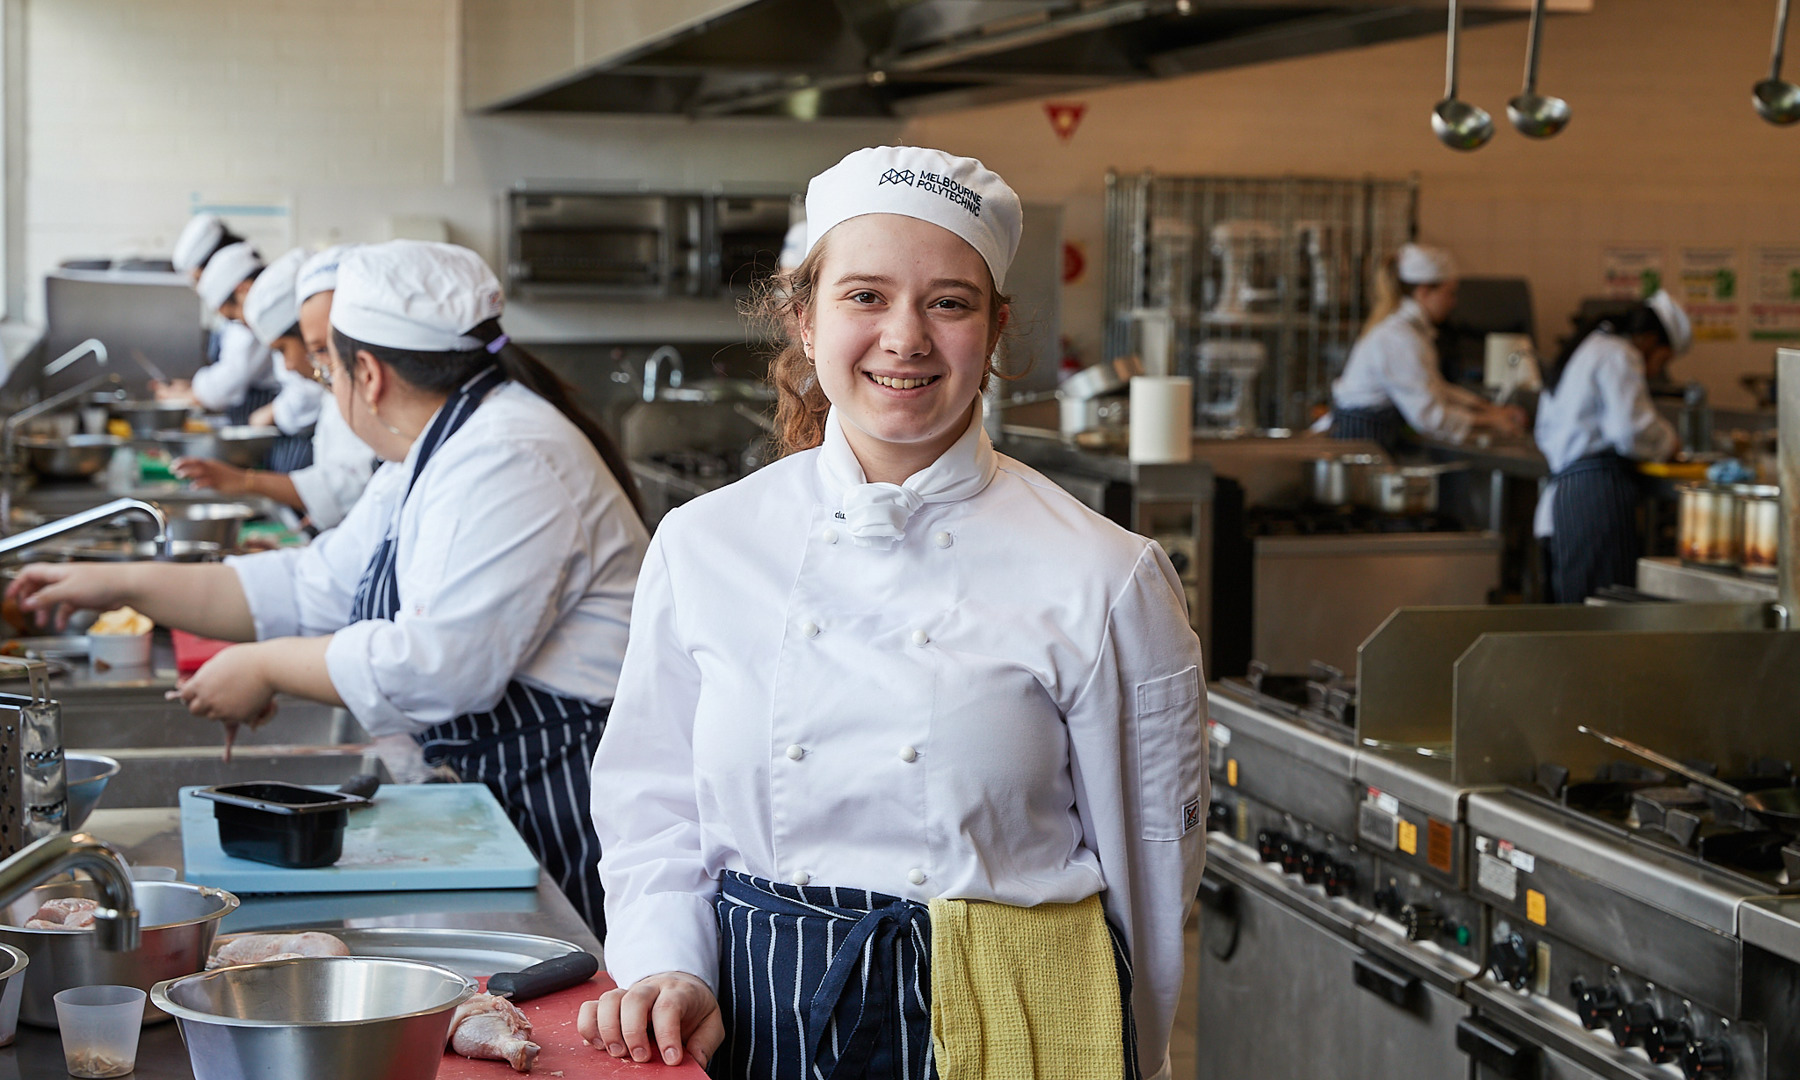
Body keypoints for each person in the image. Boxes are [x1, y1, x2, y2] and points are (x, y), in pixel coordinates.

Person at [584, 146, 1207, 1080]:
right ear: (805, 319)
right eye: (865, 297)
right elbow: (654, 804)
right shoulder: (705, 543)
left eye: (948, 302)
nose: (905, 338)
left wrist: (1142, 1057)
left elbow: (1154, 865)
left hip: (1020, 1023)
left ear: (994, 329)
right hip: (754, 1014)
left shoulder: (1106, 573)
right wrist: (667, 965)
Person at [7, 240, 648, 933]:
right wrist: (122, 583)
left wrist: (266, 664)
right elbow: (312, 583)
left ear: (366, 373)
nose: (323, 383)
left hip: (565, 801)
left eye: (325, 366)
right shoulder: (433, 452)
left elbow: (439, 667)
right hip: (497, 803)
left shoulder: (510, 457)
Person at [173, 247, 377, 529]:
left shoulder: (364, 398)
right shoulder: (337, 392)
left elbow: (355, 485)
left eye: (320, 348)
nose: (290, 365)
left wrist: (246, 481)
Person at [1533, 290, 1688, 603]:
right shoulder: (1619, 353)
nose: (1656, 371)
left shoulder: (1588, 347)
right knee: (1603, 616)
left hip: (1565, 497)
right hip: (1595, 500)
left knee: (1575, 615)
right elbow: (1630, 429)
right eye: (1663, 359)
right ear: (1650, 340)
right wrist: (1669, 442)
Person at [1329, 242, 1524, 454]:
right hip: (1360, 440)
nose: (1453, 303)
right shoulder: (1398, 337)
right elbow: (1428, 416)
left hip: (1373, 436)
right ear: (1424, 292)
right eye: (1450, 294)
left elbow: (1434, 386)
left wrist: (1488, 408)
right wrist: (1490, 421)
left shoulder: (1411, 331)